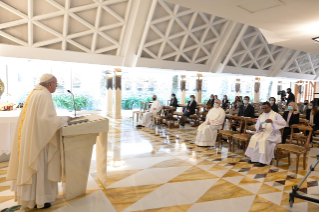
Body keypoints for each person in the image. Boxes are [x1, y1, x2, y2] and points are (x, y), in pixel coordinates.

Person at [6, 74, 71, 210]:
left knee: (34, 167)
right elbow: (46, 121)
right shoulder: (44, 95)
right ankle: (40, 199)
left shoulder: (34, 93)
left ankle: (32, 198)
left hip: (33, 136)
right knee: (40, 166)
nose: (56, 86)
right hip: (39, 141)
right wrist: (64, 119)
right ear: (49, 84)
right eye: (56, 84)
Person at [245, 102, 286, 167]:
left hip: (273, 134)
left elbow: (283, 123)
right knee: (254, 138)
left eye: (266, 108)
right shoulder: (261, 115)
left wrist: (273, 121)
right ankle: (254, 159)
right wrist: (259, 127)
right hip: (263, 132)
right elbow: (258, 124)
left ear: (270, 107)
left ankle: (263, 161)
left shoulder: (276, 115)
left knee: (263, 141)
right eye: (263, 108)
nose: (264, 110)